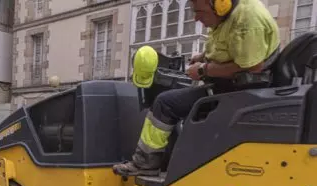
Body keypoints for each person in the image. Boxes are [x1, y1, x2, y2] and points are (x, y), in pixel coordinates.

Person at [113, 0, 279, 176]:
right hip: (232, 87)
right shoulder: (227, 15)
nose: (196, 18)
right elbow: (227, 46)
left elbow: (253, 68)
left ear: (221, 5)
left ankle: (145, 164)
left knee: (165, 103)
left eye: (199, 12)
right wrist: (203, 56)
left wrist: (203, 70)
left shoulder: (247, 21)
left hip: (238, 92)